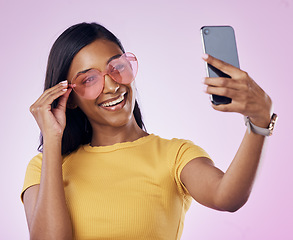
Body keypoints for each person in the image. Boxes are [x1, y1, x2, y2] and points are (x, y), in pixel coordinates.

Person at [21, 22, 276, 240]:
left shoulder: (174, 154)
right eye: (89, 79)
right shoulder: (44, 167)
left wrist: (260, 122)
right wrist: (53, 140)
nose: (110, 86)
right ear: (69, 97)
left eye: (117, 68)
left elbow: (226, 197)